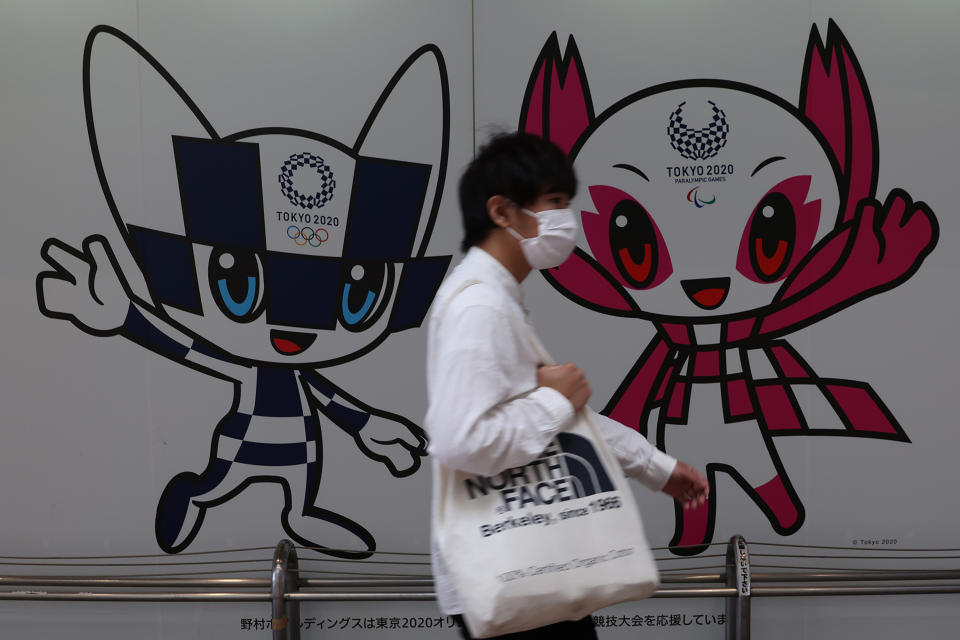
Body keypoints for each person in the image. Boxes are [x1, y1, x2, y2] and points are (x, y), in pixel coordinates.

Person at [424, 132, 709, 639]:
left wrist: (653, 467)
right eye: (553, 203)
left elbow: (558, 422)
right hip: (516, 571)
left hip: (531, 565)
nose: (565, 219)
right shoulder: (481, 307)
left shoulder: (494, 297)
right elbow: (460, 440)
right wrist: (556, 398)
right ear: (502, 212)